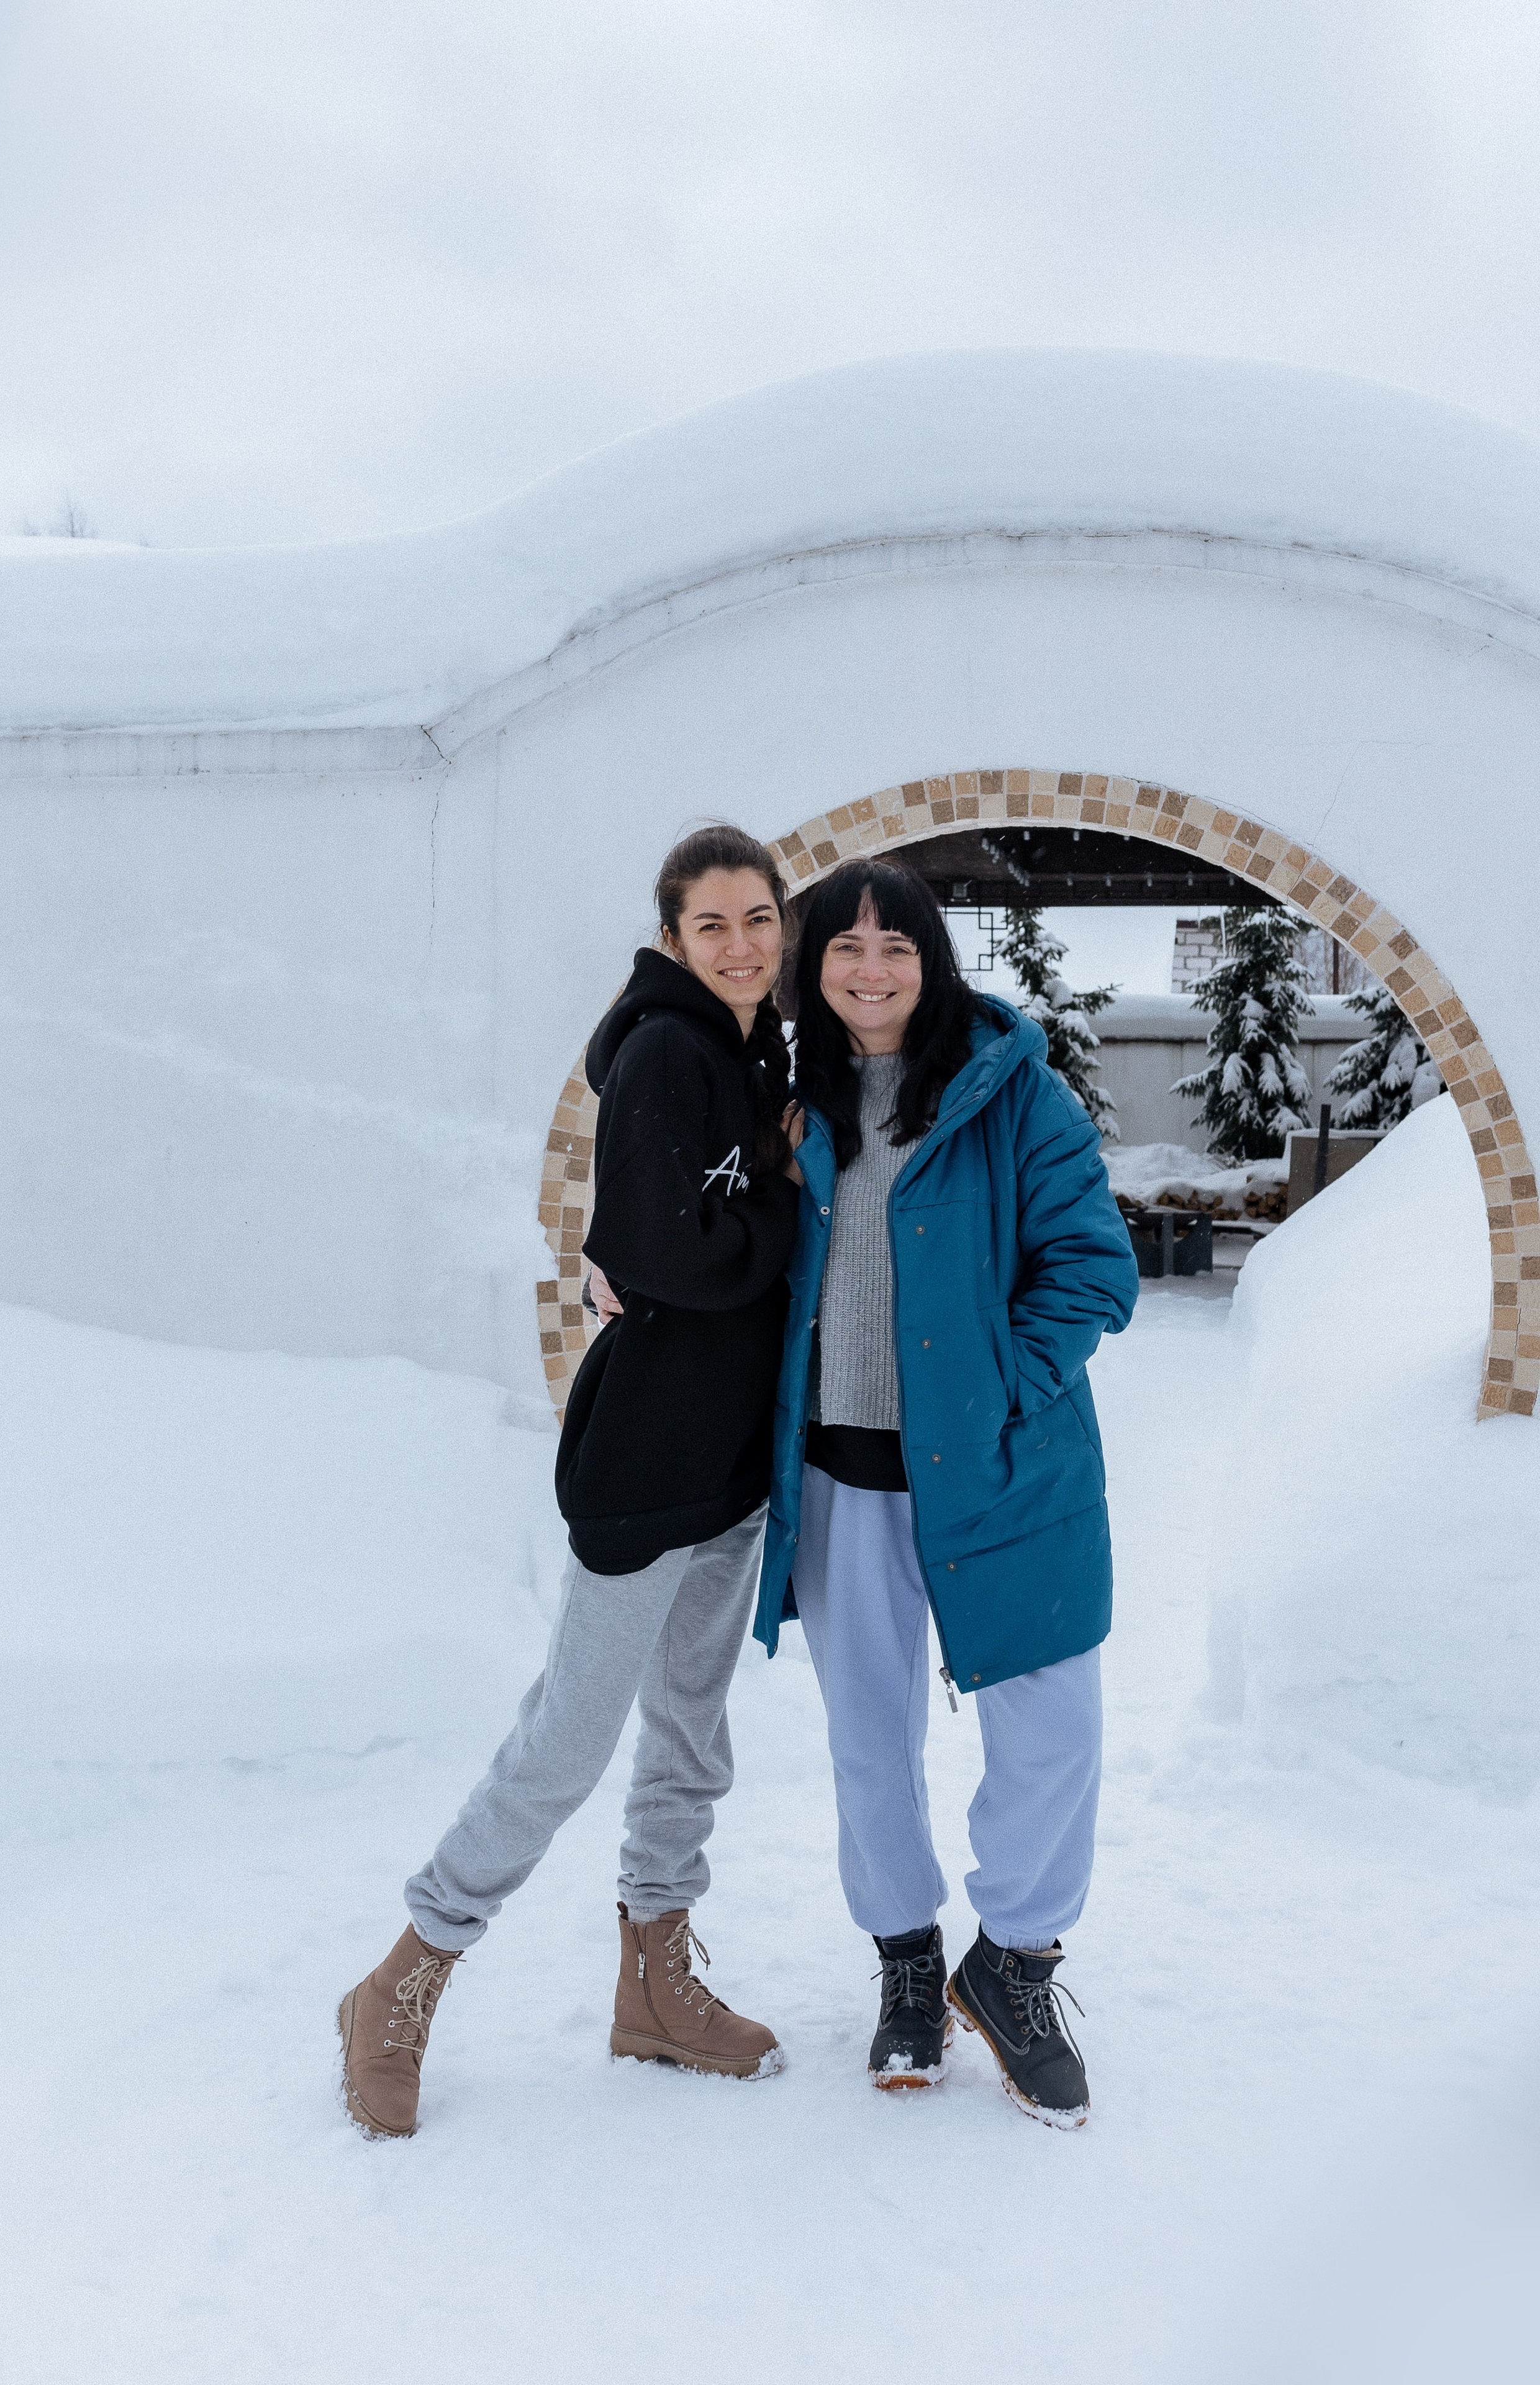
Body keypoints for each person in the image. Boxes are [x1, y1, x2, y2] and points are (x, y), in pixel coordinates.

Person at [338, 824, 802, 2138]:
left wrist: (764, 1197)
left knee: (689, 1735)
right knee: (568, 1738)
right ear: (670, 939)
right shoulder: (664, 1053)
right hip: (646, 1460)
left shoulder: (758, 1051)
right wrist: (778, 1203)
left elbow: (719, 1250)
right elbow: (663, 1253)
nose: (738, 943)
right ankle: (406, 1971)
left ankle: (653, 1983)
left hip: (727, 1465)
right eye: (709, 924)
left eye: (756, 918)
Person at [756, 860, 1137, 2126]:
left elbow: (1092, 1268)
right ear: (811, 967)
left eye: (895, 949)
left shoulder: (1011, 1094)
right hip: (839, 1478)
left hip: (1005, 1474)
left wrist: (996, 1386)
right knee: (869, 1742)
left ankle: (1015, 1965)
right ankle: (907, 1961)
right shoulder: (784, 1102)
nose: (869, 971)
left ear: (932, 962)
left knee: (1051, 1733)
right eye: (843, 949)